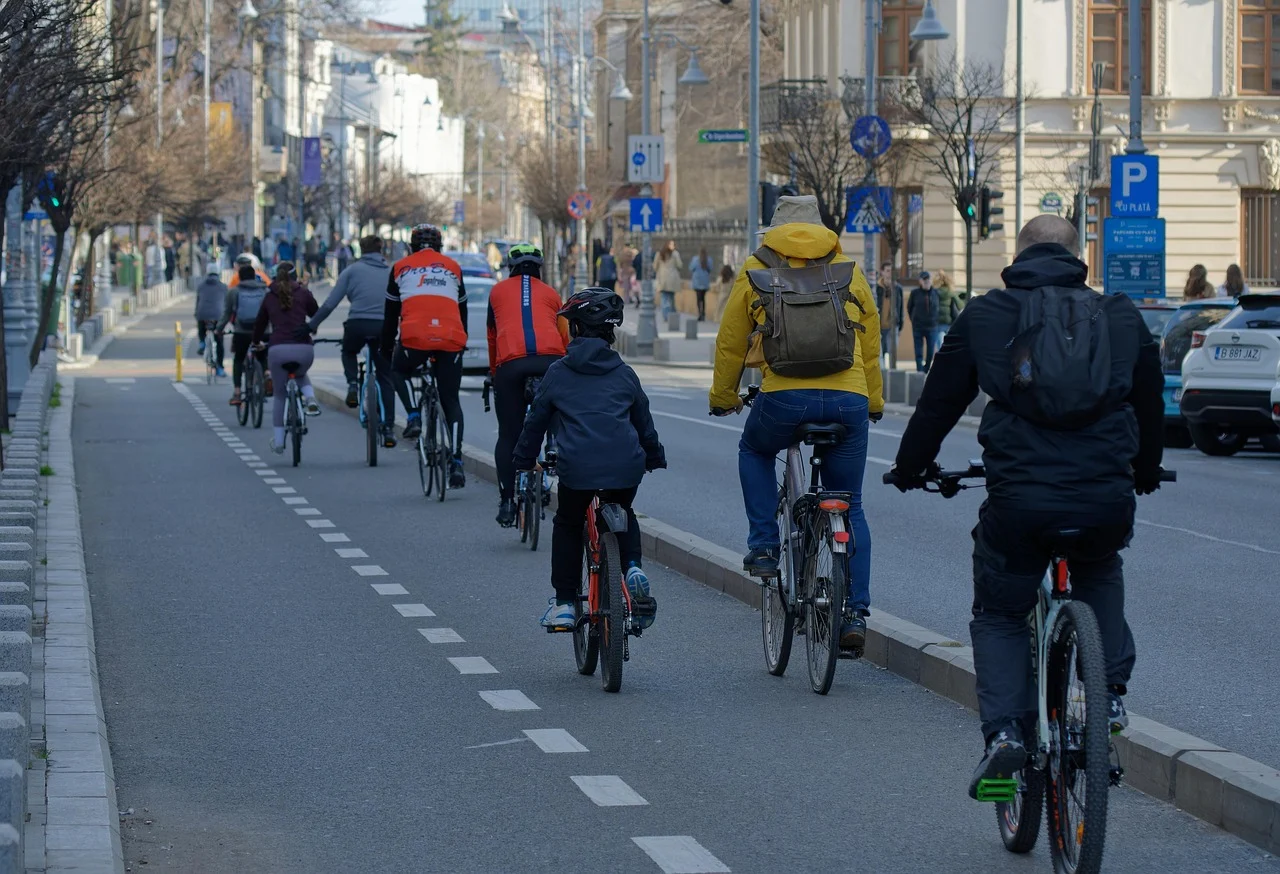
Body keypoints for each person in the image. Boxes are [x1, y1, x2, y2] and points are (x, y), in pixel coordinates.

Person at [887, 215, 1164, 799]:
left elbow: (938, 404)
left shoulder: (987, 315)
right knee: (1098, 565)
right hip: (1103, 497)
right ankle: (1107, 693)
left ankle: (1007, 734)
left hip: (1019, 502)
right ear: (1077, 253)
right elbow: (1148, 406)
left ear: (1018, 254)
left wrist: (911, 469)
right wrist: (1141, 474)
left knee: (1002, 610)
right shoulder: (1119, 316)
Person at [709, 194, 882, 651]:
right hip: (848, 399)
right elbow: (870, 339)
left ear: (774, 229)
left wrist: (723, 397)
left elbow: (730, 342)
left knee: (754, 449)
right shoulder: (847, 267)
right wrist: (875, 401)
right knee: (851, 503)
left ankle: (765, 546)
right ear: (821, 227)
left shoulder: (755, 268)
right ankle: (855, 614)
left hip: (785, 398)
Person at [513, 288, 666, 630]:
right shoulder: (625, 374)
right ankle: (632, 567)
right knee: (623, 511)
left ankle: (566, 603)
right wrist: (654, 456)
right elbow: (644, 422)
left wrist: (524, 459)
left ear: (577, 330)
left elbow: (535, 421)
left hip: (577, 466)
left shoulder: (558, 373)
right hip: (626, 464)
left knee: (568, 523)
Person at [487, 244, 570, 527]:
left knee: (508, 435)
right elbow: (563, 334)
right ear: (539, 268)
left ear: (510, 267)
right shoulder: (551, 293)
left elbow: (492, 336)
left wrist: (494, 371)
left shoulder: (497, 291)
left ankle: (507, 502)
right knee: (555, 412)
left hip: (511, 363)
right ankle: (554, 446)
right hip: (551, 361)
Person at [380, 223, 468, 489]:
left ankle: (413, 416)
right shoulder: (453, 267)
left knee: (398, 369)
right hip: (451, 338)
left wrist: (386, 349)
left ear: (411, 246)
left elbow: (390, 315)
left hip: (415, 338)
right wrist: (460, 343)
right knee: (451, 400)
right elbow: (462, 311)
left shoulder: (400, 267)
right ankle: (456, 462)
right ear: (440, 247)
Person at [307, 235, 398, 448]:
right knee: (386, 378)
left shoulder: (351, 271)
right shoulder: (392, 273)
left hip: (357, 324)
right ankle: (389, 430)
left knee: (348, 351)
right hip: (384, 328)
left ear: (361, 251)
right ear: (381, 250)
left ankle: (353, 385)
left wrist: (312, 325)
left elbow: (330, 303)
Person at [251, 262, 322, 453]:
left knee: (280, 395)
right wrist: (311, 328)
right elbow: (316, 315)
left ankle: (280, 441)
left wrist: (256, 342)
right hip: (304, 350)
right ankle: (309, 398)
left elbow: (259, 325)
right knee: (300, 372)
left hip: (277, 350)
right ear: (295, 275)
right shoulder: (304, 294)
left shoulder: (269, 297)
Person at [218, 263, 271, 406]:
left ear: (239, 278)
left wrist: (219, 329)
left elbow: (226, 314)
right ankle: (266, 373)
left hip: (242, 331)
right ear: (255, 276)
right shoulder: (265, 291)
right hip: (263, 331)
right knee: (262, 354)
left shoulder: (233, 292)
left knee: (239, 359)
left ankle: (236, 393)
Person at [195, 266, 228, 376]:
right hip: (218, 316)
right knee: (219, 342)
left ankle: (201, 343)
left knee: (201, 323)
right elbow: (226, 305)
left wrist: (197, 315)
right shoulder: (223, 287)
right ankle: (220, 368)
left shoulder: (201, 286)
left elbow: (198, 302)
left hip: (202, 315)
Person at [907, 271, 940, 373]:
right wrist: (914, 320)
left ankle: (926, 368)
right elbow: (909, 307)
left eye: (928, 279)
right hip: (918, 326)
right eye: (924, 279)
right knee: (918, 350)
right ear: (920, 281)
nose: (926, 282)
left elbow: (939, 308)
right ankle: (919, 370)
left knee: (930, 351)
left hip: (932, 327)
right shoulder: (915, 293)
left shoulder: (936, 293)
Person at [875, 262, 904, 365]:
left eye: (891, 271)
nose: (890, 273)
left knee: (892, 352)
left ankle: (892, 372)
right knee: (880, 352)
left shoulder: (897, 288)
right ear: (882, 272)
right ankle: (883, 373)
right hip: (879, 325)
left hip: (893, 324)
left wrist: (901, 325)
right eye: (887, 271)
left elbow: (900, 307)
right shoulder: (877, 287)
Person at [934, 268, 966, 349]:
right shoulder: (951, 293)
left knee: (940, 346)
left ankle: (942, 361)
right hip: (950, 323)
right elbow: (960, 305)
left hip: (938, 322)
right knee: (949, 345)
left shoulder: (934, 293)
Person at [655, 239, 683, 322]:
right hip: (672, 279)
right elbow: (680, 265)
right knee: (671, 298)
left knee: (664, 298)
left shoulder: (659, 254)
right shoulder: (675, 254)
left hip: (663, 278)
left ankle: (666, 316)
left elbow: (655, 266)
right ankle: (672, 315)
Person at [689, 246, 714, 322]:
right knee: (703, 298)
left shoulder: (695, 259)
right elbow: (710, 269)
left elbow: (691, 268)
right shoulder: (708, 259)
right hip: (705, 281)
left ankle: (700, 313)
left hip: (697, 281)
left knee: (698, 298)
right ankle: (703, 313)